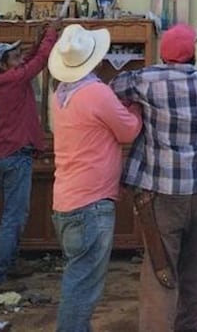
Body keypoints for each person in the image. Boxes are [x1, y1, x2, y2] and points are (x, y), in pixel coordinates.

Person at [110, 21, 197, 332]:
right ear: (191, 55)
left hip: (162, 194)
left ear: (163, 54)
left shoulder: (147, 80)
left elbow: (114, 88)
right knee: (195, 271)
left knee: (161, 269)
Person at [48, 25, 142, 332]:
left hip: (65, 200)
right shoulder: (97, 93)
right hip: (92, 204)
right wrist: (137, 107)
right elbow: (129, 130)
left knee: (78, 279)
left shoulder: (58, 94)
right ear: (95, 60)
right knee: (83, 287)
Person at [0, 18, 60, 295]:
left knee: (12, 214)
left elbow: (28, 58)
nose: (19, 57)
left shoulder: (3, 78)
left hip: (6, 154)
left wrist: (40, 38)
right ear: (3, 64)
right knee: (14, 217)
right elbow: (37, 63)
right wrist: (50, 35)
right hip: (16, 155)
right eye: (13, 56)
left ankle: (10, 263)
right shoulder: (13, 80)